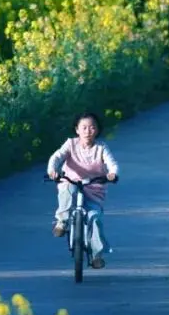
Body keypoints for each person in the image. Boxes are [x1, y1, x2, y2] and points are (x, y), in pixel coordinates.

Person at [46, 112, 119, 269]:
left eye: (92, 127)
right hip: (71, 183)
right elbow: (57, 157)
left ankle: (96, 256)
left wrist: (112, 174)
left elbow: (112, 163)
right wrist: (52, 170)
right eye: (84, 127)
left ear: (97, 130)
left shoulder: (101, 148)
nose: (88, 131)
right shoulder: (70, 144)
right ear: (77, 130)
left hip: (93, 190)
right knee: (67, 189)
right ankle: (62, 222)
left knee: (94, 218)